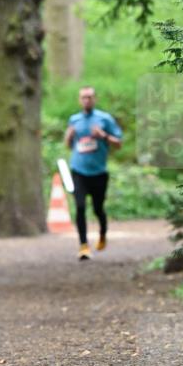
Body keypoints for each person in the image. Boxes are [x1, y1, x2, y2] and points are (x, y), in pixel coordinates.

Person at [64, 86, 123, 260]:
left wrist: (103, 135)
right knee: (80, 207)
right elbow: (69, 145)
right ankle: (83, 246)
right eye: (83, 97)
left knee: (98, 209)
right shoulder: (74, 120)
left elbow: (118, 143)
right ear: (79, 100)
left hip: (99, 173)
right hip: (79, 171)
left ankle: (103, 233)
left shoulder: (104, 119)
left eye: (89, 97)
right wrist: (69, 136)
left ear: (95, 99)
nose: (86, 100)